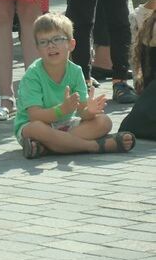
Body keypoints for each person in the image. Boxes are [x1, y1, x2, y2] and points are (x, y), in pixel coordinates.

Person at [14, 13, 135, 158]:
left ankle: (47, 147)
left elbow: (81, 111)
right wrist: (61, 110)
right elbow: (34, 115)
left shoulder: (76, 71)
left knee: (104, 121)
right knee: (36, 129)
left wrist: (89, 112)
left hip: (65, 125)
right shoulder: (32, 74)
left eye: (57, 39)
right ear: (37, 48)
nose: (51, 46)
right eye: (43, 42)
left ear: (71, 44)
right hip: (36, 125)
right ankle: (94, 146)